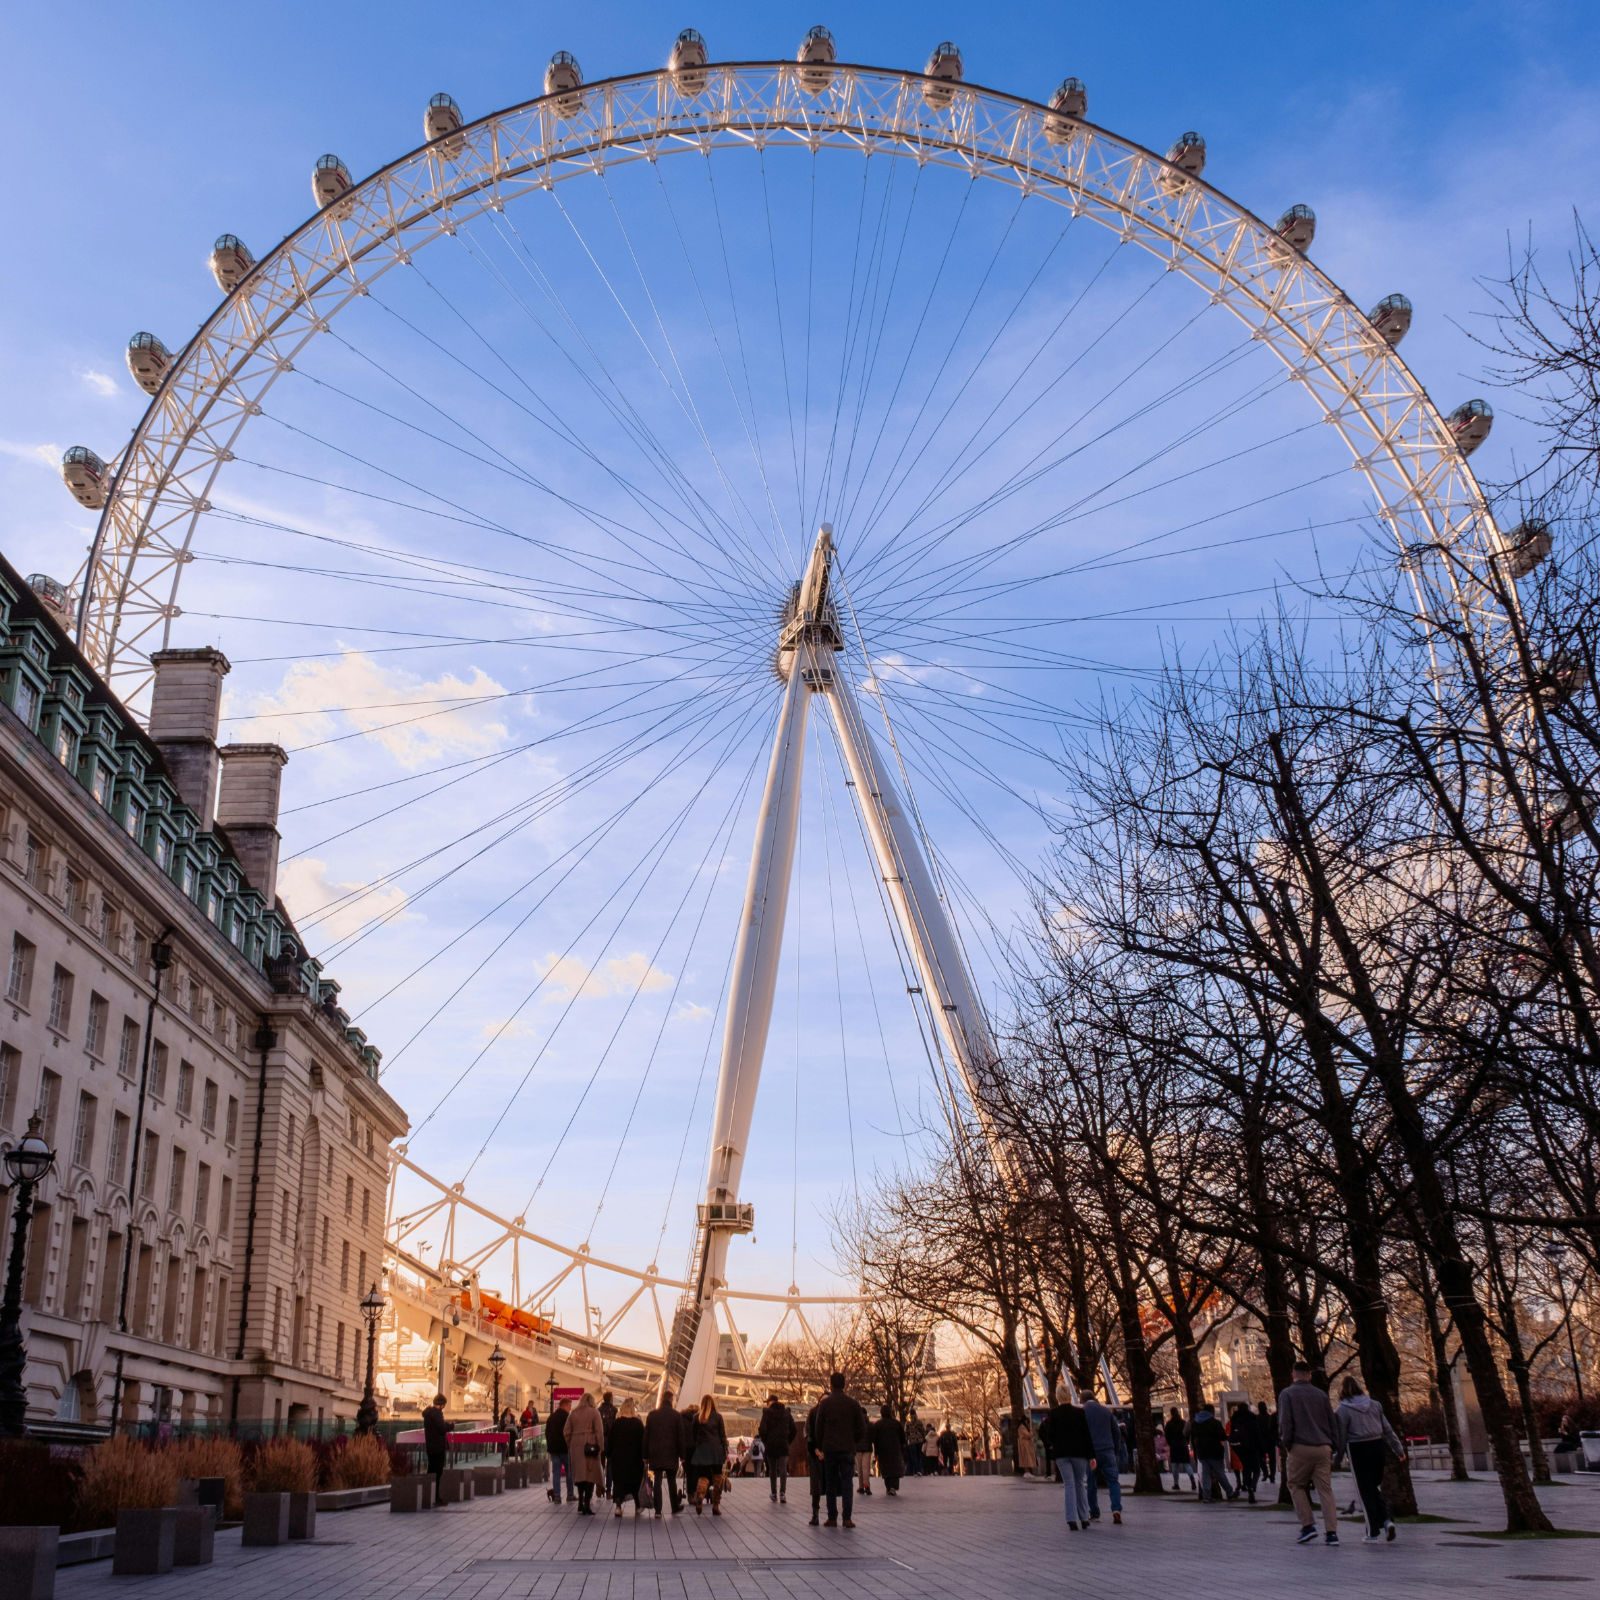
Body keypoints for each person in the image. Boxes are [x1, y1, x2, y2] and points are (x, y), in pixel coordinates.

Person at [1334, 1377, 1404, 1542]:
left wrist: (1337, 1459)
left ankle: (1372, 1531)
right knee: (1374, 1487)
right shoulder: (1375, 1405)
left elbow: (1342, 1438)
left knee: (1365, 1492)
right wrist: (1398, 1448)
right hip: (1378, 1446)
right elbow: (1388, 1429)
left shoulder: (1342, 1411)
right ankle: (1387, 1521)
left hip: (1358, 1449)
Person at [1278, 1359, 1338, 1546]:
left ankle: (1308, 1525)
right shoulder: (1321, 1395)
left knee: (1296, 1485)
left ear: (1293, 1374)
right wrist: (1332, 1445)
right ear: (1309, 1375)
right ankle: (1332, 1533)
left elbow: (1285, 1423)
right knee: (1325, 1490)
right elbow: (1331, 1421)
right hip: (1323, 1447)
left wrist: (1286, 1445)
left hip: (1300, 1446)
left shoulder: (1287, 1394)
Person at [812, 1371, 870, 1528]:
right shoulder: (852, 1404)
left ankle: (832, 1518)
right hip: (847, 1449)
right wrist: (853, 1441)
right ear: (844, 1384)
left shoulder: (825, 1404)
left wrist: (821, 1444)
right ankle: (847, 1518)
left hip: (830, 1449)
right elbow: (861, 1428)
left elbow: (818, 1427)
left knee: (830, 1483)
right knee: (847, 1484)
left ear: (830, 1385)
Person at [1040, 1387, 1094, 1530]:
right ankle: (1084, 1517)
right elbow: (1086, 1435)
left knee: (1069, 1484)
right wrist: (1091, 1456)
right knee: (1080, 1483)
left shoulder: (1054, 1414)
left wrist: (1053, 1445)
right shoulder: (1079, 1413)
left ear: (1057, 1397)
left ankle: (1071, 1519)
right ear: (1070, 1396)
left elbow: (1050, 1435)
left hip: (1062, 1454)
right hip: (1079, 1453)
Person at [645, 1386, 687, 1517]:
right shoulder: (676, 1416)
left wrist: (645, 1455)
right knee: (671, 1481)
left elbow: (646, 1436)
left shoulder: (652, 1415)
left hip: (656, 1453)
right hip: (671, 1453)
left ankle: (658, 1510)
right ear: (671, 1400)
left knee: (657, 1480)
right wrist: (682, 1455)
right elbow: (681, 1437)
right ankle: (674, 1507)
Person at [1082, 1394, 1125, 1522]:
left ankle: (1094, 1512)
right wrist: (1115, 1449)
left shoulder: (1083, 1412)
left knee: (1091, 1483)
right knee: (1113, 1482)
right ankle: (1116, 1509)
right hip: (1108, 1450)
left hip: (1092, 1453)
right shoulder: (1106, 1411)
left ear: (1082, 1400)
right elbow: (1116, 1432)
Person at [688, 1394, 729, 1515]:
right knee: (717, 1478)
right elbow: (722, 1435)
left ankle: (700, 1495)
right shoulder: (718, 1417)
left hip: (702, 1451)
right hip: (716, 1451)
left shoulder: (697, 1418)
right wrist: (725, 1448)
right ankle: (715, 1505)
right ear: (712, 1404)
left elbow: (693, 1435)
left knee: (703, 1477)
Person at [607, 1397, 647, 1518]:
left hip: (619, 1459)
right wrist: (645, 1457)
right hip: (635, 1460)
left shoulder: (617, 1423)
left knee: (619, 1483)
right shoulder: (638, 1424)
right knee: (635, 1483)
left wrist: (609, 1455)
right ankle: (638, 1506)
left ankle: (618, 1507)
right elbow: (643, 1443)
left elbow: (610, 1442)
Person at [1189, 1403, 1237, 1503]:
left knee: (1205, 1474)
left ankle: (1206, 1496)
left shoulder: (1195, 1423)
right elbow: (1222, 1436)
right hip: (1214, 1451)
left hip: (1201, 1452)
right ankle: (1230, 1492)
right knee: (1220, 1473)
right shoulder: (1214, 1422)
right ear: (1211, 1411)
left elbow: (1191, 1435)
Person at [567, 1392, 605, 1516]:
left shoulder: (573, 1413)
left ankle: (580, 1502)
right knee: (590, 1476)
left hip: (576, 1447)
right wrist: (600, 1447)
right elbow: (599, 1431)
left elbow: (566, 1431)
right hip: (590, 1447)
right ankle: (587, 1504)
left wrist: (571, 1443)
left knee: (580, 1475)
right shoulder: (594, 1412)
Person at [759, 1394, 795, 1504]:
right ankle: (783, 1493)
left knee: (773, 1470)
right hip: (783, 1445)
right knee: (783, 1469)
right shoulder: (786, 1413)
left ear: (771, 1402)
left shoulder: (766, 1413)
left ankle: (774, 1493)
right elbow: (794, 1430)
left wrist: (766, 1441)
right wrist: (787, 1441)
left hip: (771, 1445)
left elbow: (762, 1430)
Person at [1228, 1401, 1263, 1503]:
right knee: (1256, 1469)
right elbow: (1258, 1434)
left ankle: (1247, 1485)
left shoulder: (1234, 1419)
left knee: (1246, 1468)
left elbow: (1232, 1434)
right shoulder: (1252, 1418)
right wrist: (1261, 1449)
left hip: (1240, 1448)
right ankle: (1252, 1486)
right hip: (1252, 1447)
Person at [422, 1392, 449, 1503]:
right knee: (437, 1473)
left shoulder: (428, 1414)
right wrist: (450, 1425)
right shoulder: (437, 1414)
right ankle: (435, 1497)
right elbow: (442, 1429)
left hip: (431, 1447)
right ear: (442, 1404)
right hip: (438, 1447)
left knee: (431, 1471)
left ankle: (427, 1496)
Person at [546, 1397, 573, 1504]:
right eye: (569, 1406)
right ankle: (570, 1494)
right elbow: (570, 1432)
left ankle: (557, 1496)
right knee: (569, 1472)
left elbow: (547, 1433)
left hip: (553, 1449)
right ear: (565, 1405)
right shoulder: (567, 1417)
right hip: (565, 1449)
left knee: (556, 1473)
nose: (570, 1409)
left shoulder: (551, 1417)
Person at [1162, 1407, 1196, 1492]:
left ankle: (1176, 1483)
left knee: (1174, 1465)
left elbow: (1167, 1436)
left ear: (1171, 1413)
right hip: (1183, 1444)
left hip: (1174, 1446)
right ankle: (1192, 1479)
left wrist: (1170, 1443)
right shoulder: (1183, 1423)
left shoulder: (1169, 1424)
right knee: (1186, 1464)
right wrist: (1186, 1442)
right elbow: (1188, 1434)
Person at [875, 1404, 906, 1496]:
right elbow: (902, 1438)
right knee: (895, 1469)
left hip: (883, 1450)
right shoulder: (896, 1423)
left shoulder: (878, 1425)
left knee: (886, 1470)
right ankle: (893, 1487)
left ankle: (888, 1487)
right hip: (895, 1449)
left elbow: (875, 1440)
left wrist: (876, 1452)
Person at [599, 1390, 618, 1501]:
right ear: (610, 1399)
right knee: (610, 1466)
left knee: (600, 1466)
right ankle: (608, 1491)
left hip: (601, 1441)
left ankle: (600, 1487)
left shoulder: (599, 1410)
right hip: (611, 1442)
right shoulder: (614, 1410)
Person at [1258, 1400, 1278, 1482]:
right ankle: (1272, 1475)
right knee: (1272, 1459)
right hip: (1270, 1441)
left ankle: (1266, 1473)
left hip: (1262, 1442)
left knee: (1261, 1459)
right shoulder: (1270, 1417)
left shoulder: (1257, 1418)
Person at [904, 1409, 926, 1477]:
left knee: (914, 1457)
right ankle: (919, 1470)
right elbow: (923, 1431)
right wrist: (923, 1438)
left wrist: (906, 1440)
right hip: (919, 1441)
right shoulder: (919, 1422)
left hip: (911, 1441)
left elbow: (906, 1432)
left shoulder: (907, 1423)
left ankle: (916, 1471)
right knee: (919, 1456)